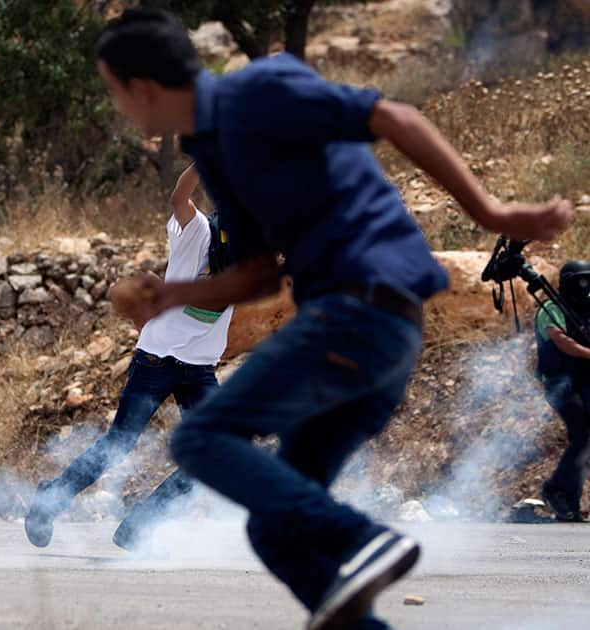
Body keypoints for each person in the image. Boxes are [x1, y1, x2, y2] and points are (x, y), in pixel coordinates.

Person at [95, 9, 572, 630]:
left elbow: (395, 117)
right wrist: (169, 294)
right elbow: (261, 275)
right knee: (277, 531)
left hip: (364, 308)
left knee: (198, 438)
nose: (121, 111)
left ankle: (362, 537)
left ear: (142, 87)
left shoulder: (259, 91)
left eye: (114, 93)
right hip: (366, 332)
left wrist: (493, 213)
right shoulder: (215, 154)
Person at [25, 162, 233, 551]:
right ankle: (50, 498)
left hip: (199, 369)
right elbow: (178, 198)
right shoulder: (198, 233)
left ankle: (140, 524)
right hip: (157, 360)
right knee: (119, 443)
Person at [535, 260, 590, 522]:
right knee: (582, 436)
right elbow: (561, 341)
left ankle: (568, 500)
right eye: (582, 281)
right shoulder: (551, 309)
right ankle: (555, 490)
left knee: (586, 441)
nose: (586, 287)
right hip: (560, 382)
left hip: (583, 380)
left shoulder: (585, 310)